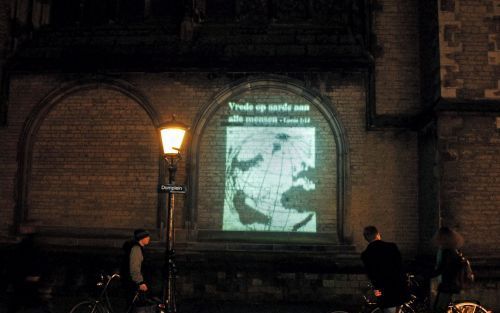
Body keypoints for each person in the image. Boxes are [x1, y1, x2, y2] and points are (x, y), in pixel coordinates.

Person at [361, 226, 410, 313]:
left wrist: (377, 291)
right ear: (378, 234)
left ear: (366, 238)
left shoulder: (365, 254)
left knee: (386, 308)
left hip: (382, 290)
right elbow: (401, 266)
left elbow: (371, 276)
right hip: (398, 287)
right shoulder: (392, 247)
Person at [430, 226, 464, 313]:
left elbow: (443, 268)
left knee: (439, 309)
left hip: (448, 285)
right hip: (449, 284)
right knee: (438, 307)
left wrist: (427, 274)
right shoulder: (451, 250)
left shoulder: (448, 252)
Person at [121, 229, 152, 312]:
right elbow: (135, 267)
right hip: (133, 283)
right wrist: (140, 282)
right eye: (147, 236)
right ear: (141, 238)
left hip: (130, 282)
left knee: (131, 306)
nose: (149, 238)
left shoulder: (138, 248)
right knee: (133, 307)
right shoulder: (136, 249)